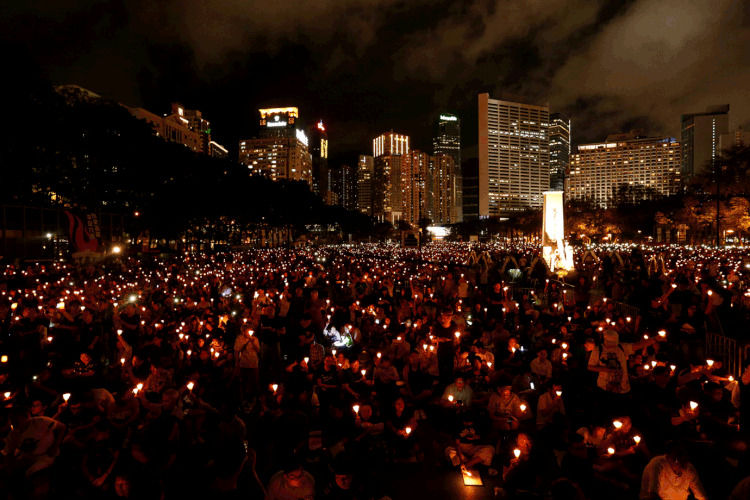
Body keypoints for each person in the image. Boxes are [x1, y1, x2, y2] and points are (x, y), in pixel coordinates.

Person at [640, 440, 706, 500]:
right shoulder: (658, 464)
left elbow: (700, 495)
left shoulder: (689, 468)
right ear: (667, 457)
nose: (682, 464)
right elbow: (653, 495)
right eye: (678, 460)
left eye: (685, 459)